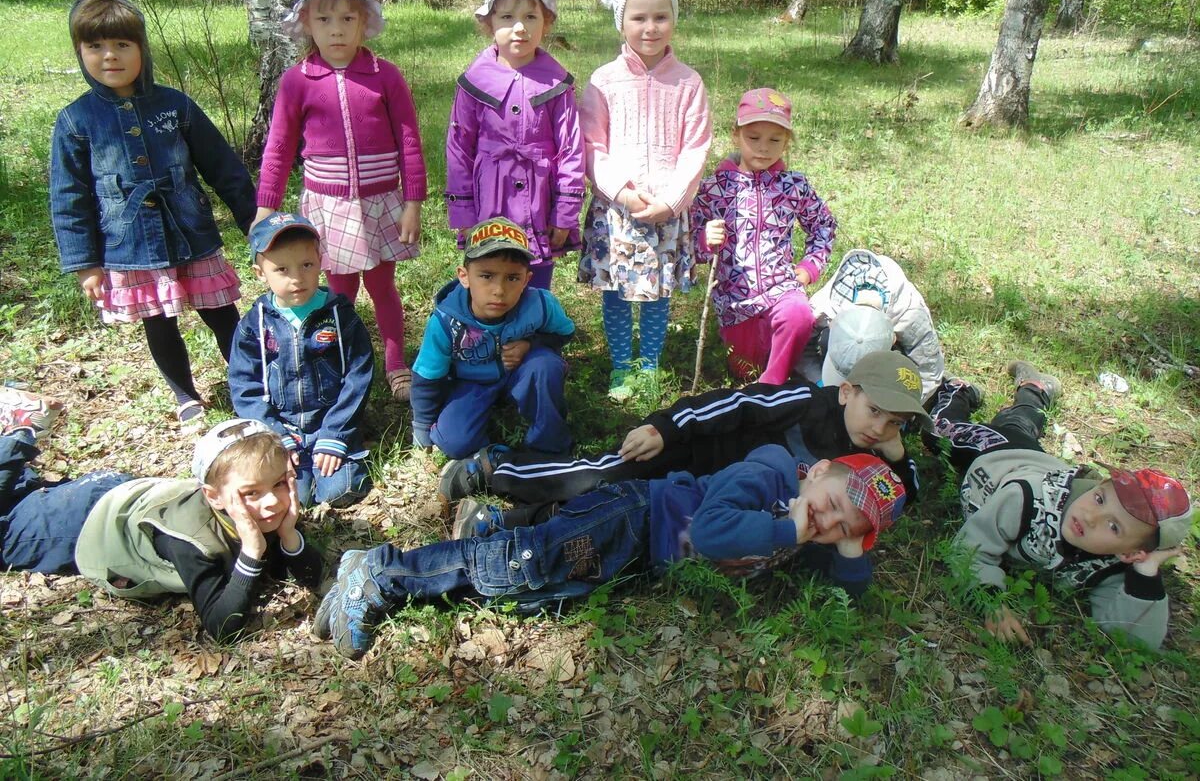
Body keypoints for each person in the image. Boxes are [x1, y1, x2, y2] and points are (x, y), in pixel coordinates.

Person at [315, 443, 907, 659]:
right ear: (819, 470)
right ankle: (380, 573)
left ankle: (488, 529)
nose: (827, 519)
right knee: (517, 567)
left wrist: (851, 549)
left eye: (844, 525)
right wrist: (791, 531)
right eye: (833, 501)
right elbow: (711, 532)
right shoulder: (771, 475)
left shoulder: (814, 527)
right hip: (633, 518)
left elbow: (845, 595)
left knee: (532, 591)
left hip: (636, 558)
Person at [49, 0, 256, 429]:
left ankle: (250, 377)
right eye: (95, 47)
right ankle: (185, 395)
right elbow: (70, 198)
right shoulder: (75, 121)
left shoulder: (174, 105)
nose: (110, 57)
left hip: (191, 232)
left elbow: (221, 166)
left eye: (123, 45)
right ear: (80, 52)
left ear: (142, 48)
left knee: (222, 313)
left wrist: (253, 220)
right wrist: (85, 263)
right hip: (130, 245)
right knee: (159, 323)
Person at [437, 350, 928, 524]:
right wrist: (665, 428)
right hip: (689, 451)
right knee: (599, 475)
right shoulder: (806, 401)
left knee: (618, 515)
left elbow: (901, 500)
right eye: (875, 411)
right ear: (846, 392)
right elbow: (734, 403)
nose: (879, 428)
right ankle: (495, 469)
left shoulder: (873, 455)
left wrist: (900, 458)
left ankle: (508, 522)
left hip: (708, 498)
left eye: (896, 422)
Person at [0, 400, 324, 643]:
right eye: (251, 492)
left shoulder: (265, 511)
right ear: (214, 497)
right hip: (81, 522)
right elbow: (223, 629)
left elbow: (304, 572)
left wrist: (288, 535)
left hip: (118, 490)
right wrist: (253, 549)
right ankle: (20, 433)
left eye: (280, 484)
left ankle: (16, 443)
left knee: (19, 493)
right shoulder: (190, 538)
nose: (271, 501)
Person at [255, 0, 427, 402]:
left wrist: (413, 202)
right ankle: (345, 359)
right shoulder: (297, 81)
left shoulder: (384, 76)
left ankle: (395, 363)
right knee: (338, 288)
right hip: (327, 206)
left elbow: (409, 140)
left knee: (382, 284)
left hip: (380, 201)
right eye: (324, 18)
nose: (336, 29)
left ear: (363, 22)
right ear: (306, 23)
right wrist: (266, 205)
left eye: (347, 18)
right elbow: (278, 146)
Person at [936, 361, 1192, 650]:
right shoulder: (1025, 499)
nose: (1092, 516)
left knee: (1018, 426)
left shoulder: (1110, 563)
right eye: (1099, 498)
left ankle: (1035, 389)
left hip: (1031, 455)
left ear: (1130, 552)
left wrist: (1146, 573)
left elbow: (1136, 639)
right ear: (1097, 486)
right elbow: (970, 549)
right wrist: (989, 602)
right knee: (940, 432)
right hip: (1001, 458)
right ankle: (958, 389)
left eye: (1113, 526)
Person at [577, 0, 713, 401]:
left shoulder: (688, 82)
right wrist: (623, 193)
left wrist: (672, 201)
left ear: (674, 18)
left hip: (665, 210)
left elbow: (696, 146)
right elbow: (592, 145)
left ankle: (650, 366)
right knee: (618, 292)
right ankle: (621, 365)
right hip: (618, 210)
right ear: (621, 22)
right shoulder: (603, 80)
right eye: (638, 18)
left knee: (656, 296)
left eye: (660, 16)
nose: (650, 27)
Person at [445, 0, 585, 290]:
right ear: (489, 23)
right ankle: (490, 336)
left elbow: (571, 149)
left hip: (540, 202)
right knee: (492, 278)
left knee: (535, 281)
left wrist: (564, 213)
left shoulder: (557, 84)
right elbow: (458, 149)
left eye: (530, 17)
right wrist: (464, 214)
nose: (519, 27)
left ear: (546, 23)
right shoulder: (474, 83)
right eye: (507, 17)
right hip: (489, 201)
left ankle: (535, 337)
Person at [228, 213, 375, 508]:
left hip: (330, 422)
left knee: (340, 491)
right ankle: (295, 461)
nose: (297, 278)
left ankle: (339, 453)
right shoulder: (254, 324)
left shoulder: (339, 316)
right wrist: (274, 435)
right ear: (260, 273)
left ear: (320, 261)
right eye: (282, 269)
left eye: (306, 265)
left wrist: (336, 433)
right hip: (282, 427)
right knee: (299, 496)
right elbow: (245, 386)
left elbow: (359, 375)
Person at [691, 88, 836, 385]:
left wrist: (809, 268)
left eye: (775, 140)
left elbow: (824, 225)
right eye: (754, 137)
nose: (764, 148)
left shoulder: (793, 185)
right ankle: (768, 374)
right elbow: (687, 242)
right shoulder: (714, 188)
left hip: (781, 290)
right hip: (735, 303)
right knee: (745, 370)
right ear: (736, 135)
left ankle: (771, 389)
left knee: (799, 315)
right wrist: (705, 241)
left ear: (786, 142)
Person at [411, 218, 575, 459]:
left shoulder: (540, 304)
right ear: (464, 276)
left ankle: (549, 448)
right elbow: (426, 376)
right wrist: (422, 427)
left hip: (522, 372)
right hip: (471, 383)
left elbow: (565, 333)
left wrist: (531, 345)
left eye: (512, 278)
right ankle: (498, 456)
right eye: (487, 276)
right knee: (454, 443)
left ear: (527, 279)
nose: (499, 290)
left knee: (545, 365)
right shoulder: (446, 321)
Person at [803, 249, 945, 403]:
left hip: (895, 357)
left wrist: (901, 408)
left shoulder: (911, 315)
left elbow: (929, 372)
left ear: (892, 339)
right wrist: (819, 381)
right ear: (833, 323)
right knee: (824, 340)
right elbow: (801, 348)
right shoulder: (826, 305)